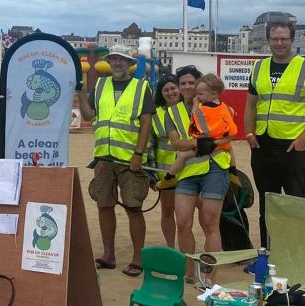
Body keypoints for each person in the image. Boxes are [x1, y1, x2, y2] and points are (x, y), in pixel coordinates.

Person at [244, 19, 305, 248]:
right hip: (263, 146)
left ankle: (298, 255)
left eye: (284, 39)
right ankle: (268, 253)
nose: (279, 43)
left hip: (293, 147)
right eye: (274, 39)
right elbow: (251, 105)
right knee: (268, 204)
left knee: (297, 203)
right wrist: (249, 134)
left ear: (292, 40)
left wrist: (303, 140)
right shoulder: (258, 68)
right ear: (268, 41)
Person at [75, 44, 154, 277]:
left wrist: (138, 154)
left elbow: (146, 123)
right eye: (114, 59)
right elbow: (90, 116)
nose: (117, 63)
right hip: (103, 157)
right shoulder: (100, 85)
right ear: (109, 63)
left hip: (131, 159)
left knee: (133, 207)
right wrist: (80, 95)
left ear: (130, 64)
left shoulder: (142, 88)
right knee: (104, 205)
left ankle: (137, 258)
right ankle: (109, 255)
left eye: (121, 59)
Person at [166, 74, 238, 283]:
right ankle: (189, 272)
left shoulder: (224, 108)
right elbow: (177, 144)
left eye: (192, 83)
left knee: (210, 224)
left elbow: (230, 138)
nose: (188, 87)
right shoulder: (172, 112)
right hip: (187, 172)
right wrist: (200, 145)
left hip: (215, 168)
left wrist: (219, 151)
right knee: (182, 222)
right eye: (183, 84)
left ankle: (210, 276)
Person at [148, 74, 190, 248]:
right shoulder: (155, 113)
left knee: (186, 214)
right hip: (166, 172)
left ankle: (186, 246)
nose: (170, 92)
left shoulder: (191, 109)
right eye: (165, 90)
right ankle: (171, 247)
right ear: (161, 93)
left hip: (190, 169)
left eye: (173, 88)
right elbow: (151, 145)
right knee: (167, 211)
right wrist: (151, 174)